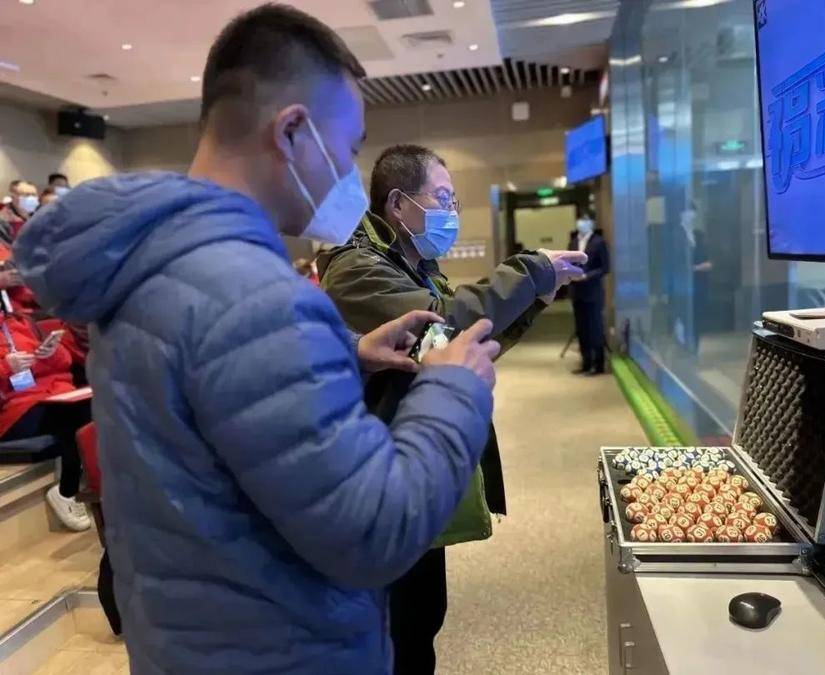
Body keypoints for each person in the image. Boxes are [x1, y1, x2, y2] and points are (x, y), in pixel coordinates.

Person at [14, 5, 502, 674]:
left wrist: (345, 354)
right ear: (293, 131)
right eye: (348, 147)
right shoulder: (258, 299)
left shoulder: (151, 263)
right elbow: (374, 530)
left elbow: (205, 406)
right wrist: (453, 389)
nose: (349, 175)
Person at [318, 143, 587, 674]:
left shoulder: (413, 263)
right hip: (381, 474)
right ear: (398, 204)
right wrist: (530, 272)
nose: (452, 212)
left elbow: (460, 343)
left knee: (422, 618)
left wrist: (534, 298)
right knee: (400, 631)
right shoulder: (356, 269)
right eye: (441, 198)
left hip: (413, 463)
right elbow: (440, 325)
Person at [0, 304, 91, 531]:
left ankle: (103, 484)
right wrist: (6, 367)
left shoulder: (21, 322)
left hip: (54, 395)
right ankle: (67, 490)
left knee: (95, 406)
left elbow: (65, 363)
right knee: (73, 414)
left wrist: (51, 353)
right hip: (17, 411)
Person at [568, 213, 610, 375]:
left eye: (585, 221)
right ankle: (585, 363)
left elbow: (605, 268)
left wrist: (587, 276)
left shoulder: (599, 242)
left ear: (592, 223)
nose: (581, 224)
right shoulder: (573, 242)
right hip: (577, 291)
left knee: (595, 328)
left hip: (593, 292)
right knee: (581, 329)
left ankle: (598, 365)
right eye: (580, 220)